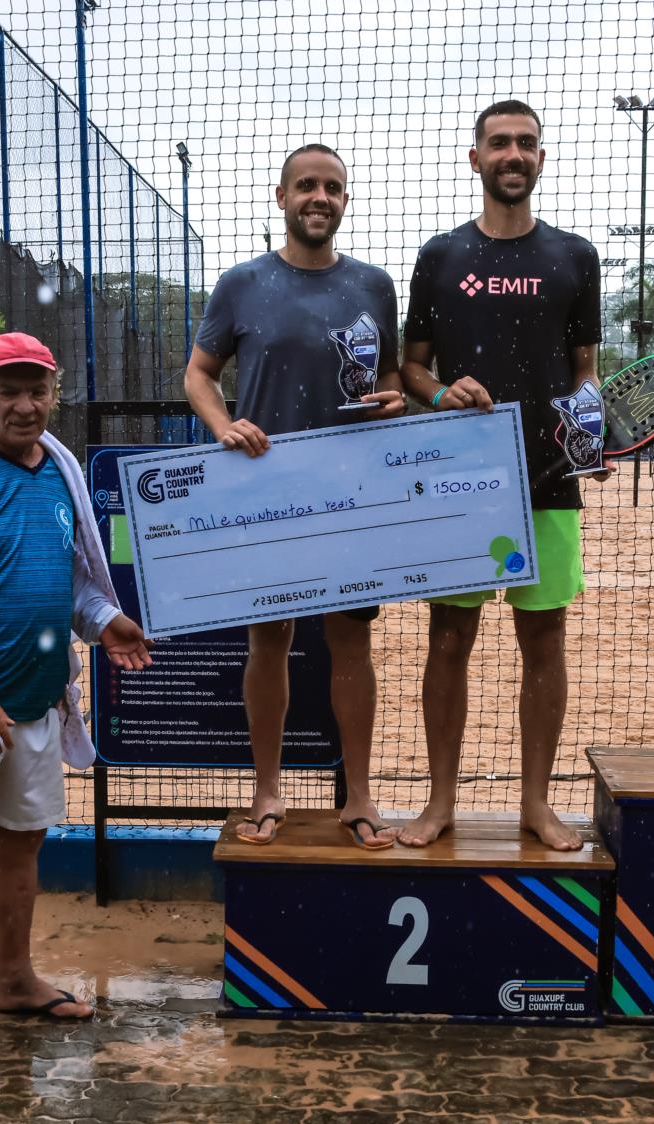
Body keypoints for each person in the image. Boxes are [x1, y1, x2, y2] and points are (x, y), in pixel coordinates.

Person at [0, 332, 152, 1089]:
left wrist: (104, 620)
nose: (24, 405)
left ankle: (13, 980)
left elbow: (68, 581)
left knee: (21, 841)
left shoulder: (60, 471)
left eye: (37, 390)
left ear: (53, 393)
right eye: (8, 390)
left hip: (36, 704)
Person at [400, 99, 607, 852]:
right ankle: (439, 804)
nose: (512, 154)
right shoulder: (441, 256)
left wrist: (591, 429)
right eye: (499, 143)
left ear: (541, 159)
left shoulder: (575, 257)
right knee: (448, 639)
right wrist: (438, 393)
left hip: (548, 477)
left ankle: (535, 805)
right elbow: (411, 367)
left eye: (525, 143)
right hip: (461, 482)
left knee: (544, 640)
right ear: (476, 158)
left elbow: (586, 372)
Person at [184, 144, 406, 849]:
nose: (320, 197)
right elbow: (198, 373)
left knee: (351, 641)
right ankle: (267, 793)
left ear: (345, 201)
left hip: (352, 493)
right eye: (307, 185)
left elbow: (392, 377)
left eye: (332, 188)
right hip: (267, 493)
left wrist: (395, 400)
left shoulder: (374, 285)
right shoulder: (242, 283)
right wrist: (223, 425)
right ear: (281, 197)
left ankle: (359, 797)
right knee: (269, 641)